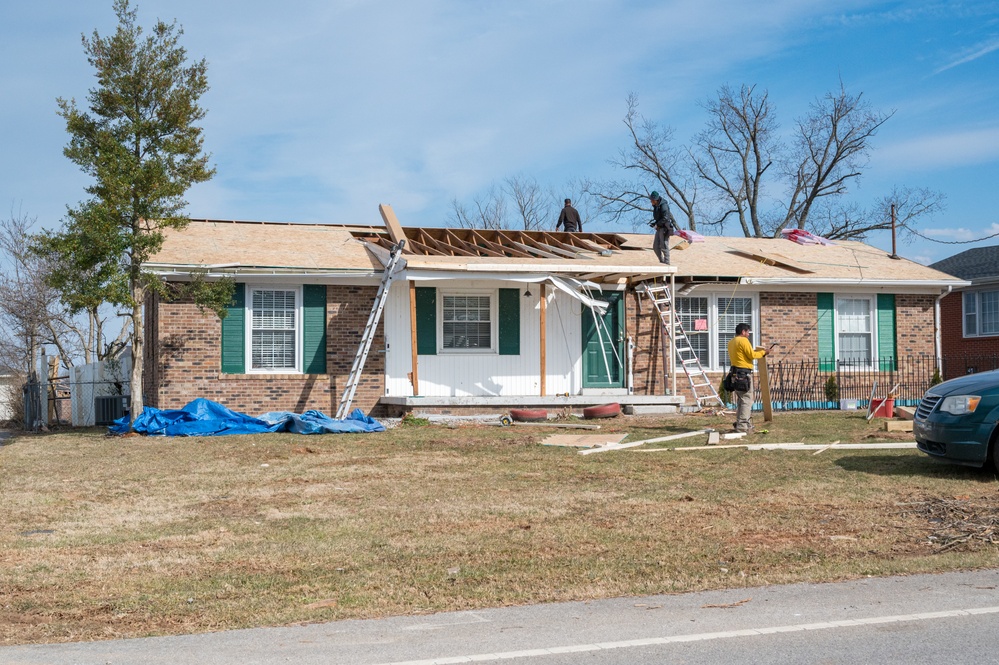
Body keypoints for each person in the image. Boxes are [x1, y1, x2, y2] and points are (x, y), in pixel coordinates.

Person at [726, 323, 768, 433]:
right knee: (747, 400)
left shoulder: (731, 342)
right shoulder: (743, 341)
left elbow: (745, 354)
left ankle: (742, 423)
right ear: (743, 332)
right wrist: (764, 352)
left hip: (734, 374)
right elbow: (752, 355)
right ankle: (742, 427)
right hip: (743, 374)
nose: (748, 334)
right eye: (748, 332)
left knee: (742, 400)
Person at [648, 191, 676, 264]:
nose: (651, 201)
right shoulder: (656, 206)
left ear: (655, 200)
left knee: (664, 245)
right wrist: (655, 224)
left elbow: (666, 218)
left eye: (651, 200)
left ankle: (667, 263)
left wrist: (657, 224)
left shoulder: (663, 206)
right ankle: (662, 262)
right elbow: (659, 218)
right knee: (655, 247)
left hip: (664, 228)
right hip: (659, 227)